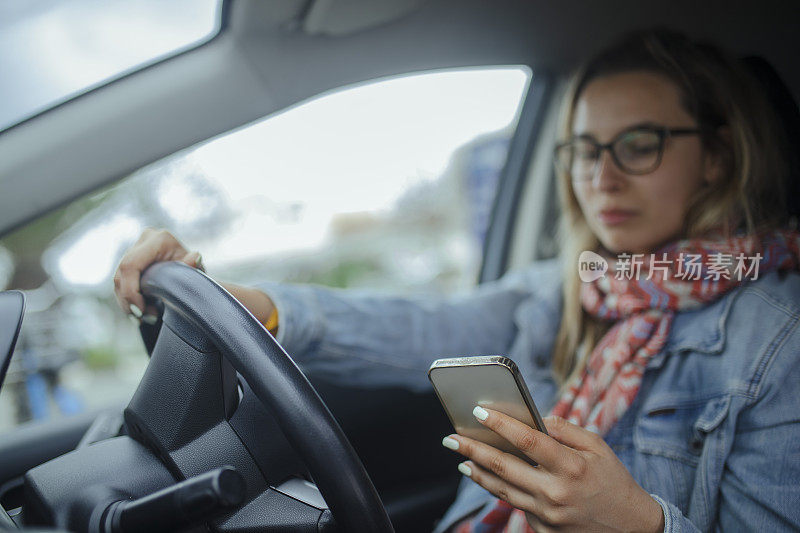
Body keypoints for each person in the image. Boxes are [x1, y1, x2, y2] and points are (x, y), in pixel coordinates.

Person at [114, 29, 800, 532]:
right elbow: (421, 325)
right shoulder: (558, 290)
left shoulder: (776, 335)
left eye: (638, 144)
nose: (603, 175)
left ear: (715, 155)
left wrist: (636, 521)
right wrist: (253, 303)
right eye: (585, 150)